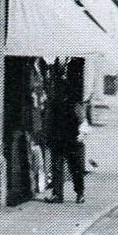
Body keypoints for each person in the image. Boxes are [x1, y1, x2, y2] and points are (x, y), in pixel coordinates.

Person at [48, 58, 88, 204]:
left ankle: (79, 193)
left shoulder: (74, 100)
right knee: (58, 164)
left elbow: (81, 112)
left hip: (71, 131)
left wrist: (82, 131)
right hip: (60, 130)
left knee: (74, 165)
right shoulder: (56, 63)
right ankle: (58, 194)